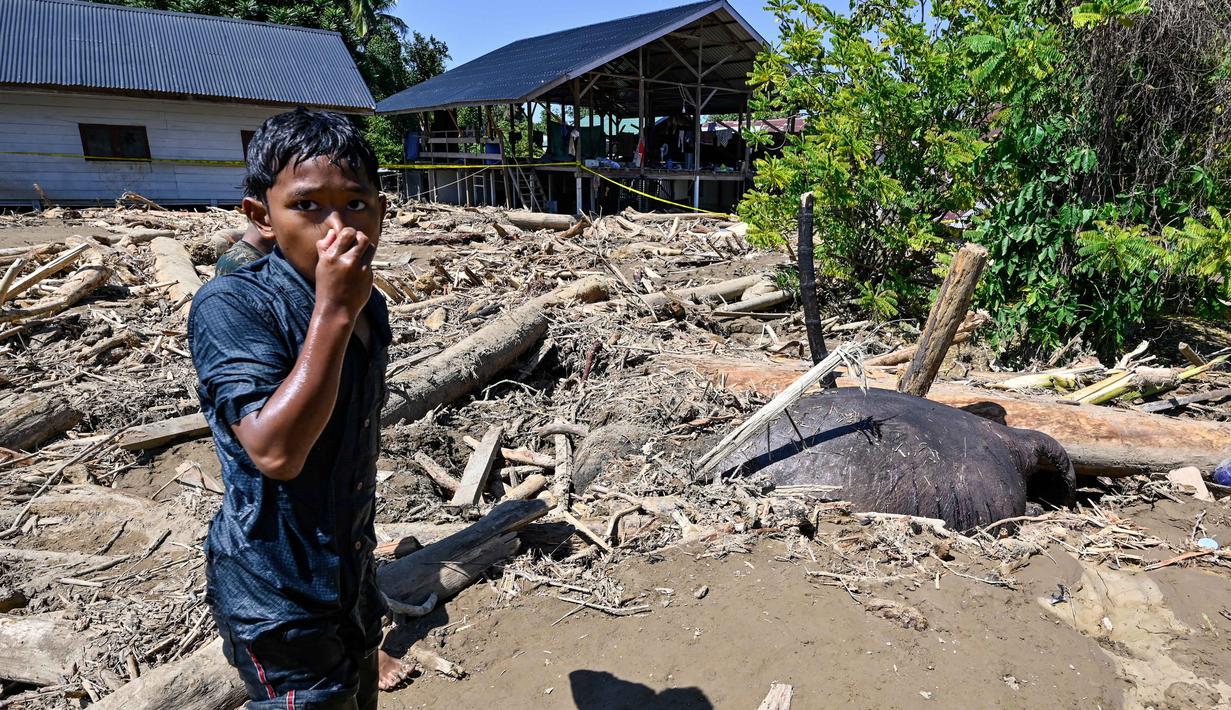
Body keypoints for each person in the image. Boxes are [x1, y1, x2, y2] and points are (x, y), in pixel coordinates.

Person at [189, 108, 398, 709]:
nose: (338, 228)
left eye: (356, 205)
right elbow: (275, 452)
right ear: (262, 217)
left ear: (380, 211)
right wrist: (333, 310)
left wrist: (346, 305)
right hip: (276, 590)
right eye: (308, 207)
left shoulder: (368, 304)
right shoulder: (232, 305)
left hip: (349, 570)